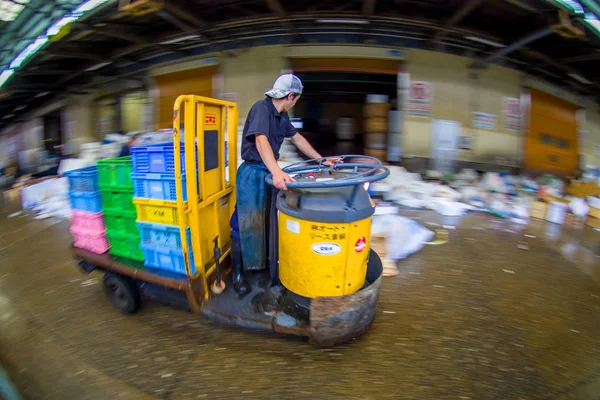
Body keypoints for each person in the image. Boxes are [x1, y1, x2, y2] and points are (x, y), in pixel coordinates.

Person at [230, 73, 336, 296]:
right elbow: (261, 140)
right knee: (244, 222)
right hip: (252, 173)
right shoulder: (262, 108)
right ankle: (238, 275)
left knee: (266, 220)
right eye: (295, 99)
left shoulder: (282, 117)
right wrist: (277, 171)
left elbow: (297, 139)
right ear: (290, 96)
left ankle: (261, 263)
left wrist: (321, 159)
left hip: (268, 171)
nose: (295, 103)